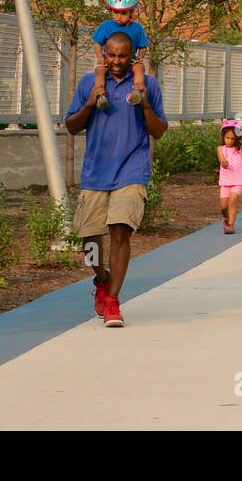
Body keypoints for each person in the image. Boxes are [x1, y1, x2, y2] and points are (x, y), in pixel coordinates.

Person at [65, 32, 168, 328]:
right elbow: (71, 126)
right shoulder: (90, 82)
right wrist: (88, 104)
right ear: (104, 54)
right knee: (89, 239)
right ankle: (101, 279)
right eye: (111, 55)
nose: (117, 61)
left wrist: (146, 106)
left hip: (131, 169)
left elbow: (159, 131)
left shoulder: (146, 85)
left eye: (123, 55)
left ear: (133, 54)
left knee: (120, 231)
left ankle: (112, 301)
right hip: (96, 172)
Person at [91, 0, 150, 111]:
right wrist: (100, 57)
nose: (119, 16)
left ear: (131, 12)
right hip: (109, 60)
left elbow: (144, 45)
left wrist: (140, 57)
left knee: (140, 68)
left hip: (130, 60)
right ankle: (101, 96)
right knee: (100, 70)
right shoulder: (106, 26)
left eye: (123, 13)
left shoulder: (137, 28)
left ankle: (137, 92)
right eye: (115, 12)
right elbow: (97, 43)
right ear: (110, 10)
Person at [217, 119, 242, 234]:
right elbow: (221, 159)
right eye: (227, 138)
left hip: (239, 179)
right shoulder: (220, 149)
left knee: (232, 202)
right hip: (225, 180)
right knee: (223, 206)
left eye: (233, 139)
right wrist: (224, 163)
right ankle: (225, 218)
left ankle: (231, 225)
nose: (229, 141)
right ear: (223, 137)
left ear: (237, 138)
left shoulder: (240, 149)